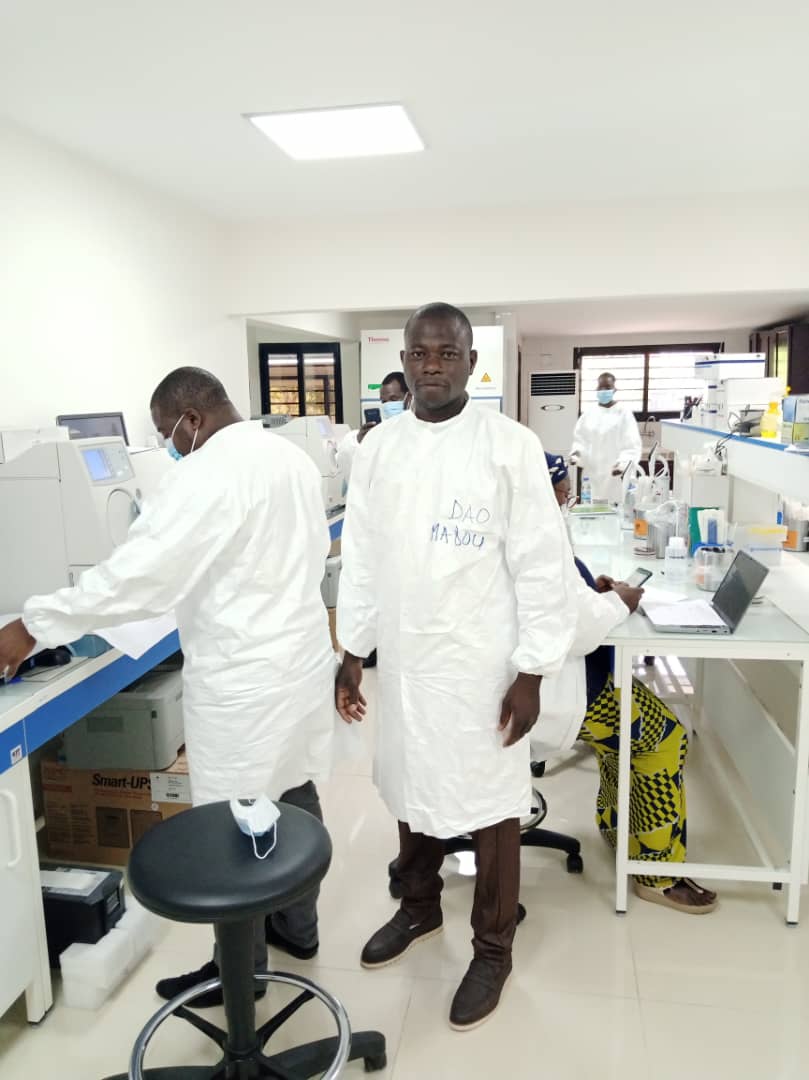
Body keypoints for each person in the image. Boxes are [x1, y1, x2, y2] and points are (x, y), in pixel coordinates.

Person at [0, 367, 338, 1004]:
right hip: (297, 662)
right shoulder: (286, 457)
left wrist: (33, 625)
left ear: (194, 418)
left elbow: (138, 576)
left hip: (245, 679)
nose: (170, 446)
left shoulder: (208, 472)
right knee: (292, 786)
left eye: (167, 433)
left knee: (232, 824)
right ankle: (300, 927)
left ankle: (241, 973)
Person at [335, 302, 578, 1031]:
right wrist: (353, 649)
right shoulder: (379, 448)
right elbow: (364, 557)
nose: (431, 365)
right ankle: (417, 909)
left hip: (480, 662)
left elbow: (541, 565)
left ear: (472, 363)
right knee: (411, 785)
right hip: (409, 662)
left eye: (446, 353)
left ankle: (493, 947)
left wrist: (532, 670)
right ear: (403, 361)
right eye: (418, 353)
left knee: (490, 803)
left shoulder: (508, 446)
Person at [546, 452, 718, 913]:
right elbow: (575, 628)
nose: (567, 501)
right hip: (568, 686)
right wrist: (617, 602)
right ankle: (657, 872)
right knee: (665, 738)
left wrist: (592, 589)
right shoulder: (537, 538)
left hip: (570, 676)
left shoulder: (528, 531)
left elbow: (563, 598)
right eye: (562, 494)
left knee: (628, 736)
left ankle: (617, 822)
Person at [570, 371, 642, 504]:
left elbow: (631, 445)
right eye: (601, 388)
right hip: (593, 476)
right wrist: (576, 455)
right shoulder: (589, 414)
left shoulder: (623, 413)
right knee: (594, 512)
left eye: (607, 388)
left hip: (616, 476)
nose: (604, 391)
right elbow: (580, 440)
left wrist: (622, 465)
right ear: (597, 389)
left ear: (614, 389)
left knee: (618, 512)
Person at [335, 370, 410, 483]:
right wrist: (358, 442)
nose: (387, 405)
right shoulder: (378, 434)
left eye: (394, 399)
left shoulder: (422, 429)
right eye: (383, 401)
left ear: (409, 397)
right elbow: (350, 472)